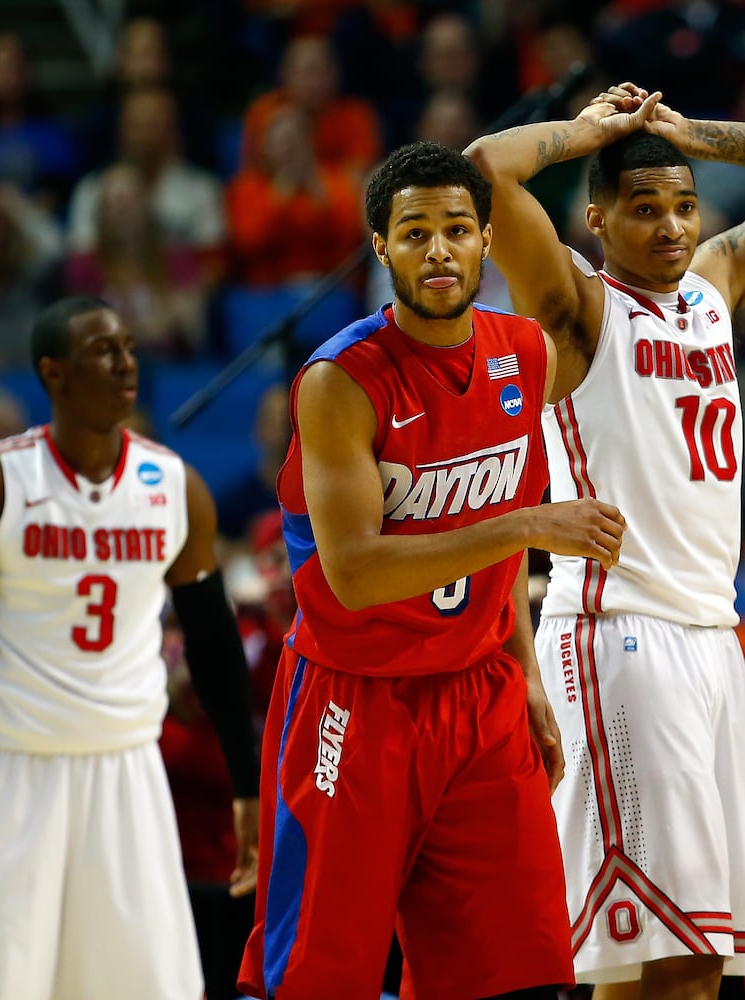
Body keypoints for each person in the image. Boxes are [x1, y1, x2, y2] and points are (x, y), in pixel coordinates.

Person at [466, 82, 745, 998]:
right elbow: (485, 167)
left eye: (685, 206)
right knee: (647, 955)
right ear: (598, 220)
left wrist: (695, 136)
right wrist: (587, 132)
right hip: (619, 634)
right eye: (646, 210)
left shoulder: (715, 286)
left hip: (713, 641)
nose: (673, 227)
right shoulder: (578, 306)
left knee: (696, 957)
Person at [236, 141, 627, 1000]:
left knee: (521, 973)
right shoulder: (341, 379)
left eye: (457, 229)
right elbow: (357, 575)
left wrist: (524, 675)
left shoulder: (523, 352)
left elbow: (496, 567)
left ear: (487, 240)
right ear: (382, 248)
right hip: (356, 699)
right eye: (415, 233)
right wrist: (524, 524)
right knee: (316, 979)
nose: (439, 250)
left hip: (479, 696)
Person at [0, 296, 260, 999]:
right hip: (12, 763)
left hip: (126, 764)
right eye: (102, 350)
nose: (125, 363)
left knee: (142, 984)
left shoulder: (175, 487)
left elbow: (213, 646)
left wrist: (248, 783)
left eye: (127, 346)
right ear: (52, 373)